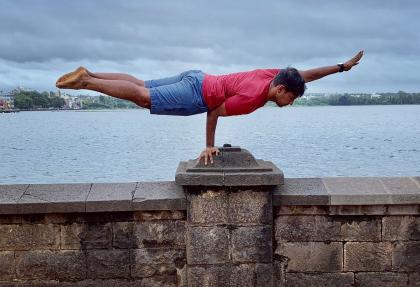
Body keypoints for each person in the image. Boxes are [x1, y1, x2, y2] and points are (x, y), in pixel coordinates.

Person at [56, 50, 364, 164]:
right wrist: (208, 146)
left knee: (142, 84)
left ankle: (91, 73)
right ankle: (87, 83)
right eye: (292, 98)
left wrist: (340, 67)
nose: (291, 103)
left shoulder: (275, 76)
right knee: (143, 97)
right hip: (197, 93)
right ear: (281, 90)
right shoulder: (254, 98)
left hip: (197, 76)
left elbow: (305, 74)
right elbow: (214, 112)